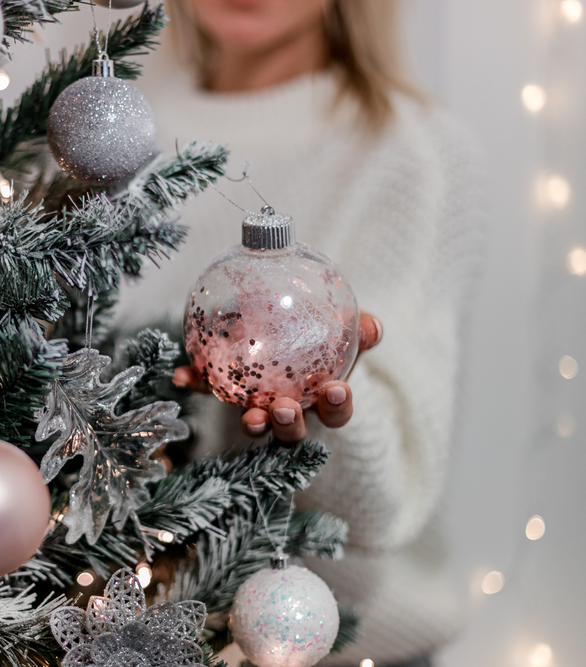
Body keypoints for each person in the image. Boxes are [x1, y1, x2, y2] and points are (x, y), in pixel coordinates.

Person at [113, 1, 484, 665]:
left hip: (334, 642)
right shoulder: (102, 132)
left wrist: (326, 391)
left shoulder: (414, 153)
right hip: (113, 633)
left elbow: (383, 504)